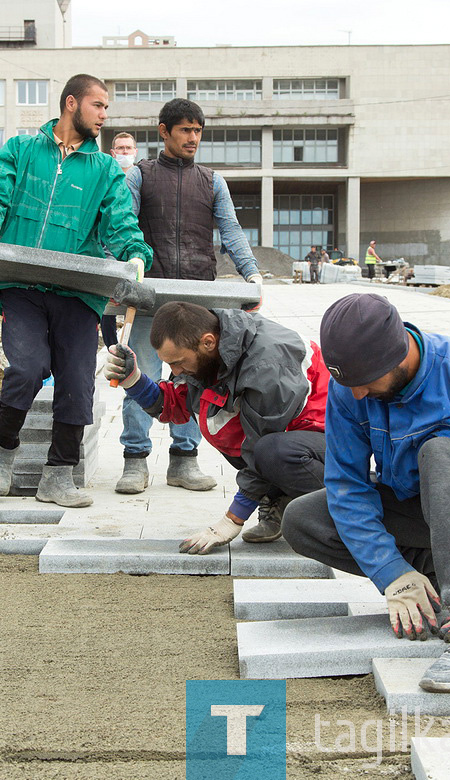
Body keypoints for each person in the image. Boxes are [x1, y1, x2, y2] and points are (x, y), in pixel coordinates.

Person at [282, 293, 450, 693]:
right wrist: (394, 574)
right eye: (351, 385)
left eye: (365, 383)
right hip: (426, 511)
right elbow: (347, 486)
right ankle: (440, 585)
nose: (359, 395)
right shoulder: (352, 388)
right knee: (304, 518)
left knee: (442, 451)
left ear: (398, 356)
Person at [0, 74, 152, 509]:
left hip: (76, 290)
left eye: (106, 107)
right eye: (98, 105)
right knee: (27, 368)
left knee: (76, 381)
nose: (105, 115)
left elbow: (120, 222)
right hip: (21, 284)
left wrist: (134, 255)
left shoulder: (103, 169)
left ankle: (59, 475)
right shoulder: (21, 152)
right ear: (72, 104)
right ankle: (4, 448)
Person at [116, 98, 263, 498]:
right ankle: (135, 459)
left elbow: (230, 231)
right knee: (139, 377)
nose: (193, 138)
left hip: (199, 301)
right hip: (148, 299)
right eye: (185, 130)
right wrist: (121, 273)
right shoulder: (140, 177)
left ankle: (184, 459)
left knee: (195, 380)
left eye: (198, 131)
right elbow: (123, 224)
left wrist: (251, 275)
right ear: (164, 131)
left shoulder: (212, 181)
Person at [105, 301, 330, 549]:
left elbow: (259, 446)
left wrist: (231, 521)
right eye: (169, 364)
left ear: (208, 342)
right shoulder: (209, 353)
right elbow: (175, 404)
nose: (174, 370)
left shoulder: (266, 365)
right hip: (287, 437)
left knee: (272, 450)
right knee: (224, 429)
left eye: (178, 362)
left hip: (329, 445)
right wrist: (133, 380)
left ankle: (338, 512)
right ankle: (278, 496)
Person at [98, 132, 141, 347]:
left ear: (135, 152)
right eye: (120, 149)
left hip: (135, 248)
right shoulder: (107, 179)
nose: (124, 152)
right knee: (109, 303)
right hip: (109, 249)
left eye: (128, 148)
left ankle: (130, 343)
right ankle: (111, 345)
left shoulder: (141, 180)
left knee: (133, 299)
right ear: (113, 153)